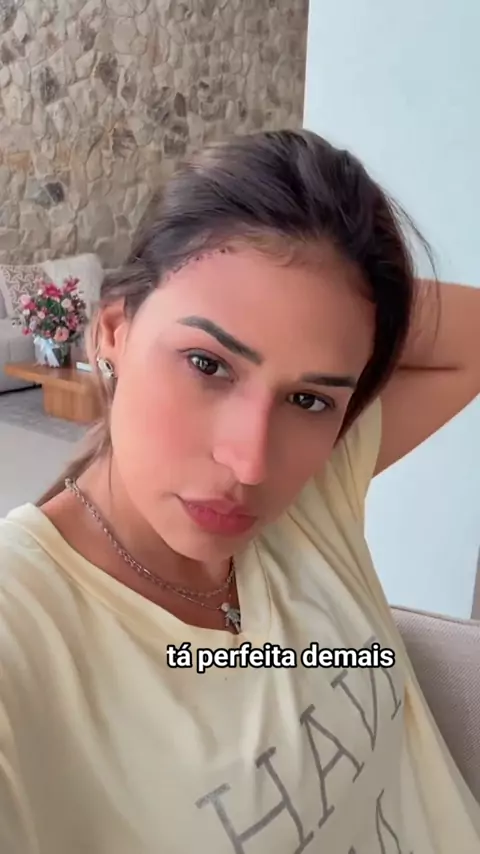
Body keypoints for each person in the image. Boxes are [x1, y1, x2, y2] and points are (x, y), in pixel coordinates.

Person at [0, 129, 479, 854]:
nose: (251, 464)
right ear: (114, 331)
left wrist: (342, 303)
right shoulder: (23, 622)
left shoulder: (312, 494)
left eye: (310, 399)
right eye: (207, 363)